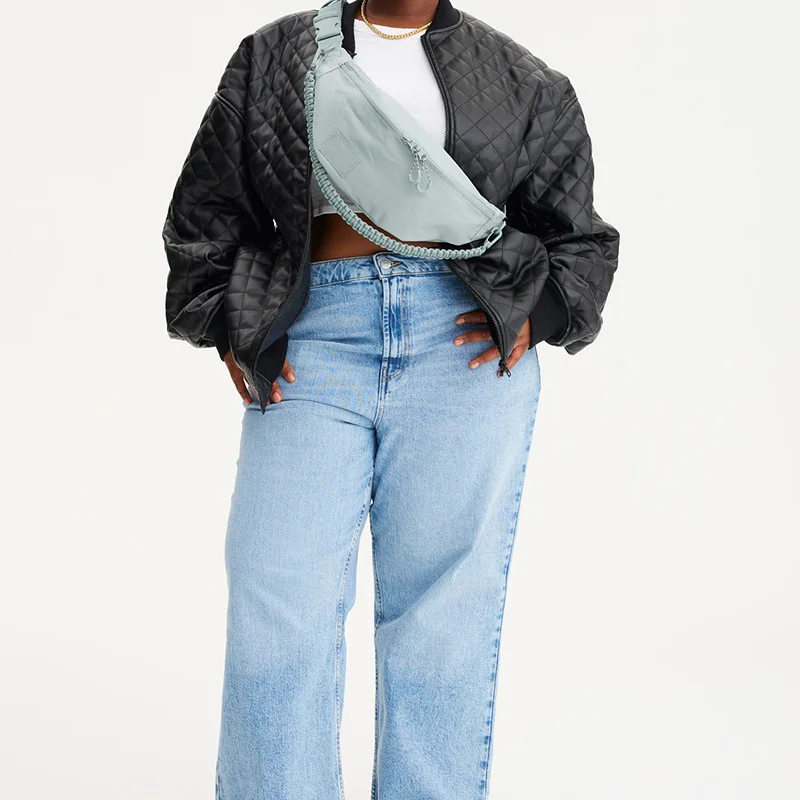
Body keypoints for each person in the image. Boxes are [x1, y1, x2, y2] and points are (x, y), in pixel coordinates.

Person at [162, 1, 620, 797]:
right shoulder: (277, 56)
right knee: (278, 611)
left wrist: (540, 314)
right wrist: (230, 325)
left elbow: (578, 236)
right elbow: (204, 210)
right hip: (313, 341)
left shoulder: (524, 79)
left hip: (463, 348)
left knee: (441, 630)